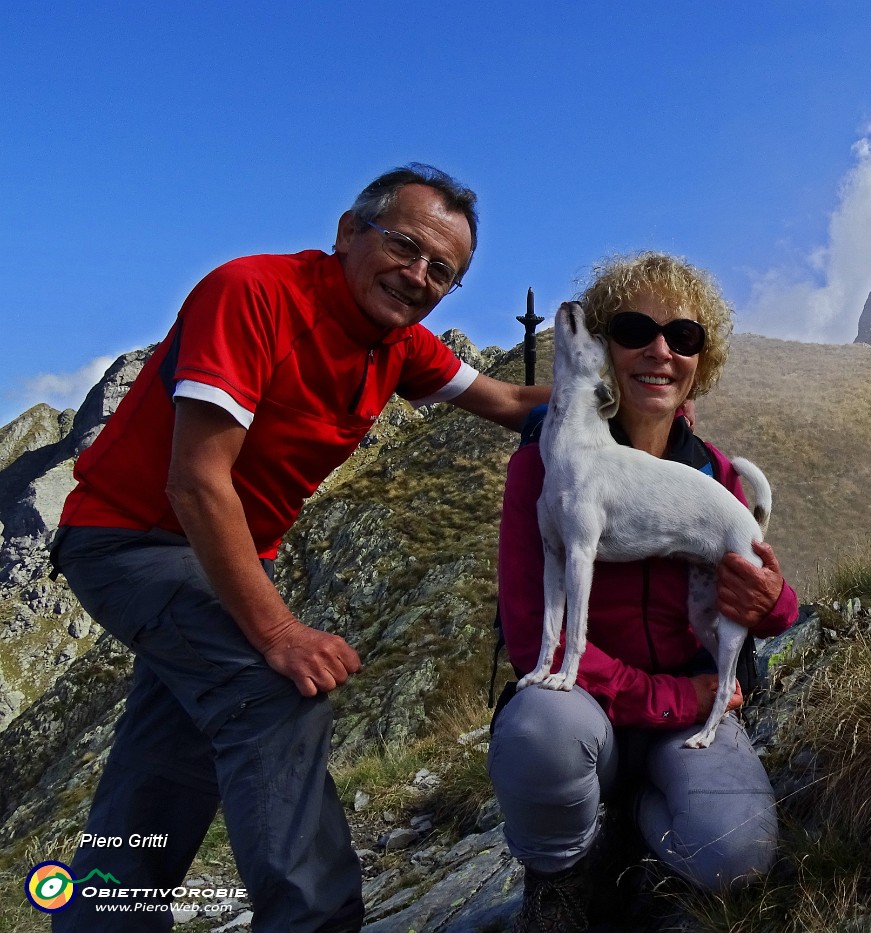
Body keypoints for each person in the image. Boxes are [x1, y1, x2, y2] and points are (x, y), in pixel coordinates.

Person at [49, 164, 550, 932]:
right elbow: (196, 482)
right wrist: (279, 631)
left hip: (217, 558)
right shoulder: (253, 292)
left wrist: (634, 380)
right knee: (275, 690)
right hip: (129, 540)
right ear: (350, 232)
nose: (418, 276)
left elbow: (513, 403)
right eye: (405, 245)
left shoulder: (400, 345)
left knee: (164, 766)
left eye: (442, 271)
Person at [489, 252, 800, 931]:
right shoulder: (539, 471)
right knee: (540, 722)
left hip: (684, 716)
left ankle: (633, 830)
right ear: (601, 349)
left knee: (737, 855)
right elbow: (526, 636)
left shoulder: (717, 475)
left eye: (683, 337)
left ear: (701, 358)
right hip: (595, 710)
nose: (661, 350)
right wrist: (666, 697)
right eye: (635, 330)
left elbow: (776, 607)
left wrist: (768, 599)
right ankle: (559, 875)